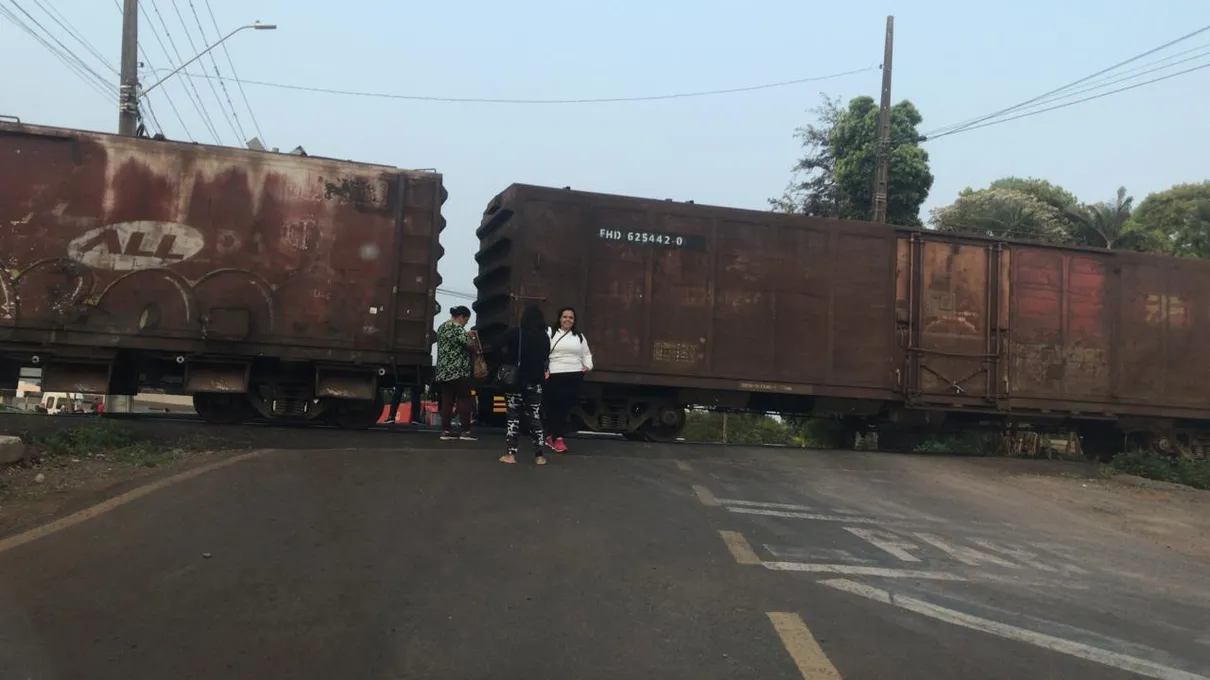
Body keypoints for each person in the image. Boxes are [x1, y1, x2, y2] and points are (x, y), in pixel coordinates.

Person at [487, 304, 550, 465]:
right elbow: (545, 358)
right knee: (534, 416)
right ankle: (539, 456)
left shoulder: (516, 332)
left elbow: (495, 345)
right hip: (535, 383)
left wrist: (507, 359)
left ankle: (510, 455)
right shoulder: (544, 337)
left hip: (515, 381)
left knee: (513, 417)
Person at [544, 306, 593, 453]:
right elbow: (542, 350)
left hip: (574, 374)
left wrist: (588, 366)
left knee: (566, 407)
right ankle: (556, 438)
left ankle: (554, 436)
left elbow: (587, 354)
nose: (568, 320)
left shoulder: (579, 337)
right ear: (559, 318)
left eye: (571, 317)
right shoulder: (550, 333)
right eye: (565, 317)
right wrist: (543, 369)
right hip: (555, 373)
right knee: (554, 406)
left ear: (574, 320)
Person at [434, 306, 477, 441]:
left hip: (443, 371)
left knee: (447, 401)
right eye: (466, 320)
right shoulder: (457, 328)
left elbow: (453, 342)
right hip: (458, 371)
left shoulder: (442, 327)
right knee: (465, 399)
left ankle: (445, 431)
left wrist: (465, 335)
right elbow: (469, 345)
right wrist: (471, 338)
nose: (466, 323)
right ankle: (466, 432)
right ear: (461, 317)